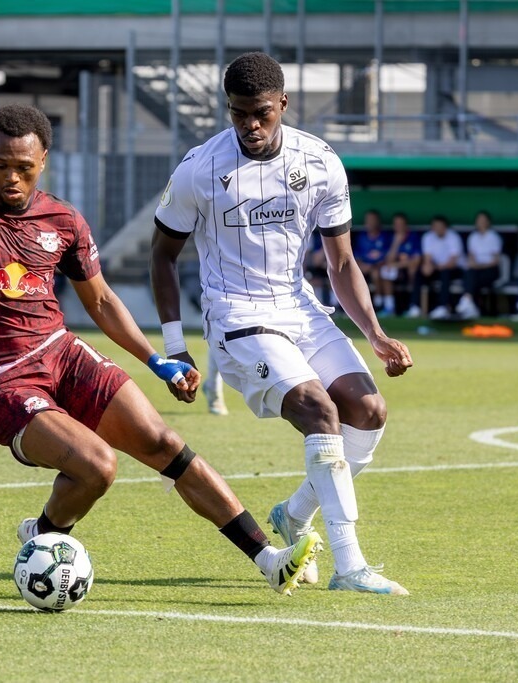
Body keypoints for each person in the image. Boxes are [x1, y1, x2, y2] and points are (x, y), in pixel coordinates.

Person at [0, 103, 319, 595]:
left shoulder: (63, 220)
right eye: (0, 165)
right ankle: (45, 537)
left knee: (163, 443)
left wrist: (156, 359)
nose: (11, 178)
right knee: (97, 466)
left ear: (44, 160)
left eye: (24, 167)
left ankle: (269, 560)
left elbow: (99, 300)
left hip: (60, 352)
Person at [151, 52, 412, 596]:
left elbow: (341, 263)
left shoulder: (319, 162)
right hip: (237, 317)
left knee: (368, 412)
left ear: (283, 105)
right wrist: (175, 345)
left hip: (299, 308)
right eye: (238, 113)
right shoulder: (200, 168)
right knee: (320, 410)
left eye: (261, 113)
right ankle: (350, 565)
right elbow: (162, 256)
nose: (249, 124)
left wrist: (376, 333)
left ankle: (292, 514)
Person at [412, 214, 464, 320]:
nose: (438, 229)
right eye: (435, 226)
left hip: (454, 269)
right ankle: (415, 306)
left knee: (445, 273)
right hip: (437, 268)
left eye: (440, 226)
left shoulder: (454, 237)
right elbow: (428, 258)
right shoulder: (428, 237)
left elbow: (453, 261)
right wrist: (427, 267)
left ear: (445, 227)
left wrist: (438, 267)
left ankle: (442, 307)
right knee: (419, 273)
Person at [456, 210, 503, 319]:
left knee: (473, 276)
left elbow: (495, 260)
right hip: (476, 269)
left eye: (483, 220)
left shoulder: (494, 237)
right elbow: (471, 257)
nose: (481, 222)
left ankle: (468, 302)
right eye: (479, 220)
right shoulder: (472, 237)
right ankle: (470, 305)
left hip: (491, 269)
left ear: (488, 222)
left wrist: (479, 266)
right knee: (470, 273)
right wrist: (474, 265)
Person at [379, 213, 421, 317]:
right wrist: (396, 242)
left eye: (401, 224)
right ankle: (389, 307)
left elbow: (416, 260)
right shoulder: (391, 237)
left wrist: (397, 264)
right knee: (385, 270)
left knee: (413, 269)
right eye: (396, 224)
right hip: (396, 270)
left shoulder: (413, 237)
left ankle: (414, 306)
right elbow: (388, 260)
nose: (398, 226)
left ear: (405, 225)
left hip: (409, 270)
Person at [353, 209, 390, 311]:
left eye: (372, 220)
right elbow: (355, 256)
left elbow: (388, 255)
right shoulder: (361, 237)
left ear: (378, 221)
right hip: (363, 267)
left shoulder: (385, 236)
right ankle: (355, 307)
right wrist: (362, 265)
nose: (370, 222)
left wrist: (377, 265)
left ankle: (381, 305)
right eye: (368, 220)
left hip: (380, 267)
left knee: (377, 273)